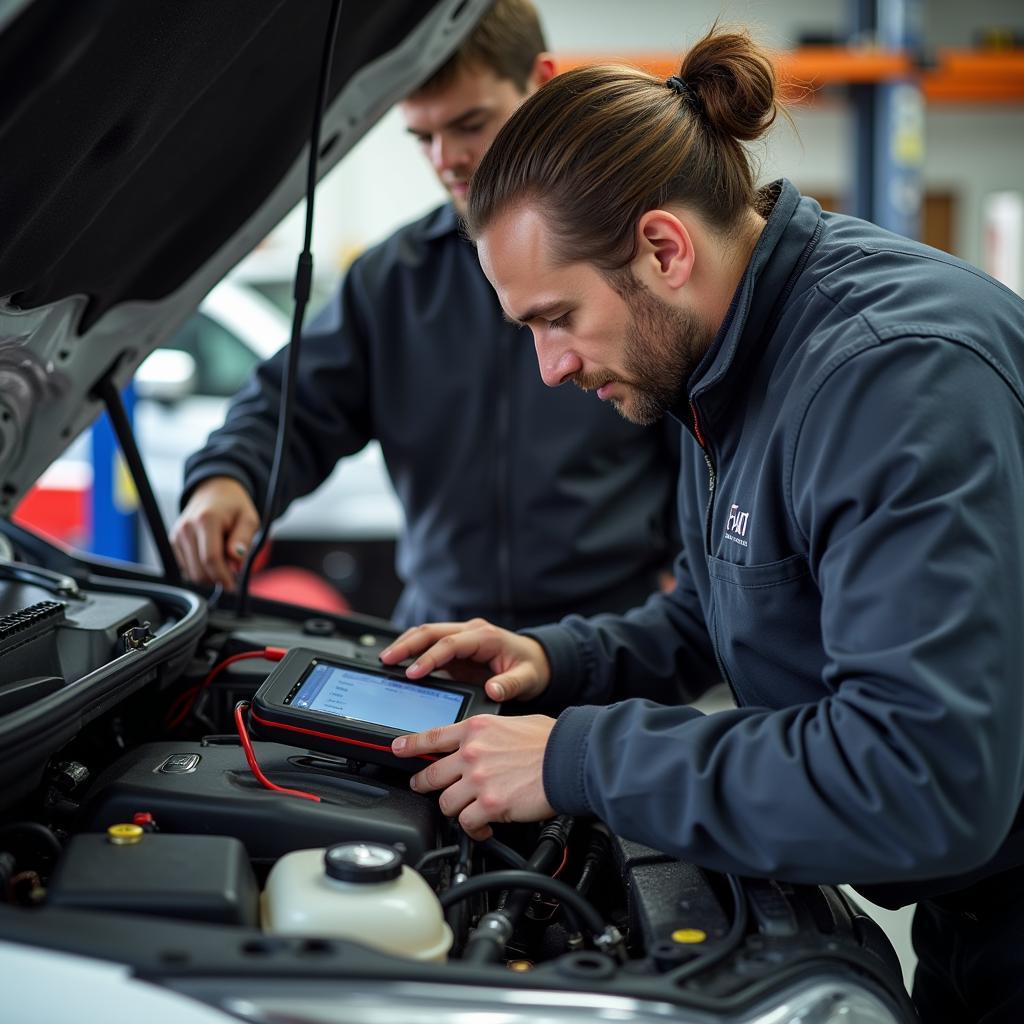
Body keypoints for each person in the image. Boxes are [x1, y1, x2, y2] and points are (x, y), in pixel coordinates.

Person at [378, 27, 1024, 1021]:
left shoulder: (894, 381)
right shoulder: (720, 357)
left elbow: (916, 779)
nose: (550, 367)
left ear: (662, 249)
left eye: (556, 317)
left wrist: (576, 757)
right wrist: (551, 662)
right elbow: (720, 610)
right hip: (971, 923)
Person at [171, 0, 679, 630]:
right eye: (423, 136)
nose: (446, 158)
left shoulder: (626, 262)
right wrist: (228, 478)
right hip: (442, 640)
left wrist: (692, 592)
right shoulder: (392, 281)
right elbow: (293, 406)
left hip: (613, 642)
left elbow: (704, 447)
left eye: (470, 124)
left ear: (541, 83)